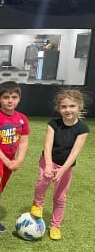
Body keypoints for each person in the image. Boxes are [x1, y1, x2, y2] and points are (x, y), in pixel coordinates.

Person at [30, 90, 89, 240]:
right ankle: (38, 204)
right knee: (43, 182)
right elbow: (48, 145)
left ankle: (55, 226)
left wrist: (62, 170)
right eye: (64, 106)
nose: (68, 110)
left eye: (72, 106)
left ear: (79, 106)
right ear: (59, 108)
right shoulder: (53, 124)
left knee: (60, 197)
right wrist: (49, 165)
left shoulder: (83, 129)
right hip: (48, 160)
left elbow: (75, 152)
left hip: (66, 167)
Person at [0, 81, 30, 231]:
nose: (10, 100)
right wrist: (6, 161)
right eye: (6, 97)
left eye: (14, 97)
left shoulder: (22, 119)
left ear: (19, 98)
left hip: (10, 160)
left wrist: (18, 160)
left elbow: (23, 142)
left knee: (0, 189)